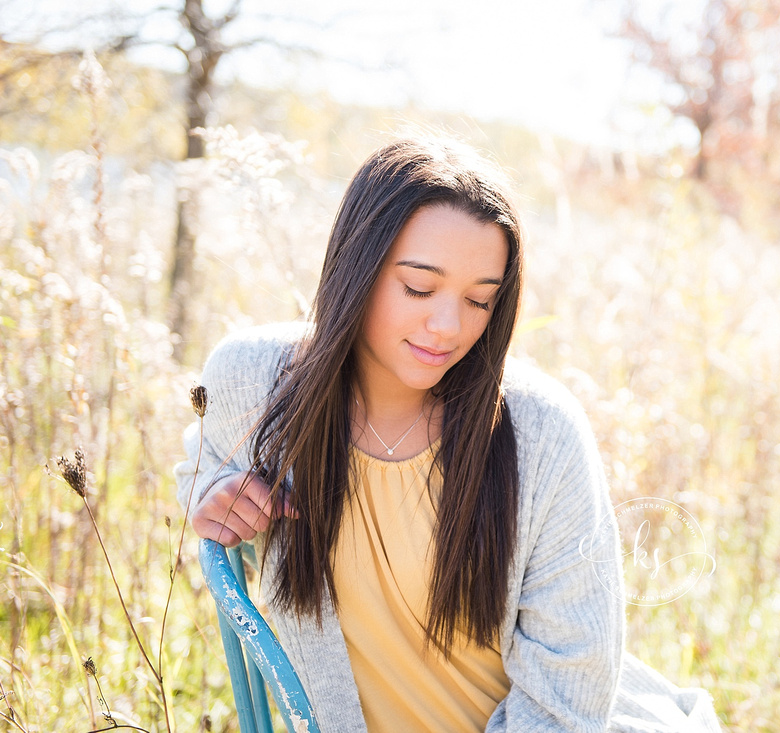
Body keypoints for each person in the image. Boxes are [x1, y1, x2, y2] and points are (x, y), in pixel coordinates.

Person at [175, 136, 720, 732]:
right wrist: (219, 498)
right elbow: (203, 473)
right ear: (356, 266)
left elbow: (571, 687)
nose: (448, 327)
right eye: (418, 288)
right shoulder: (253, 381)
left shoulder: (540, 433)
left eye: (479, 300)